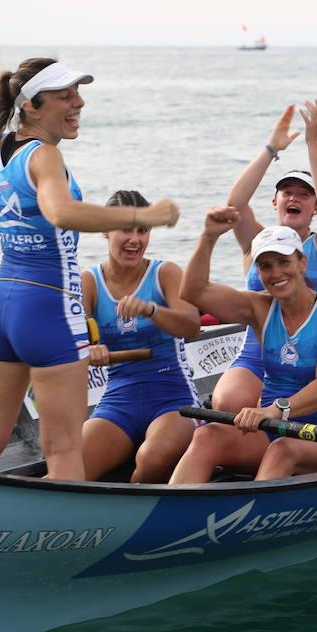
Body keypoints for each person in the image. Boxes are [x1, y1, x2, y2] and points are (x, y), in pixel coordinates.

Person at [0, 58, 179, 479]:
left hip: (1, 305)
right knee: (65, 450)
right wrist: (148, 217)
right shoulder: (44, 155)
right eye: (65, 96)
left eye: (78, 93)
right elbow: (61, 212)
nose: (79, 103)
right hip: (48, 307)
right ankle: (66, 543)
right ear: (32, 105)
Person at [172, 221, 317, 483]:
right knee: (207, 435)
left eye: (283, 262)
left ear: (301, 263)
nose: (275, 272)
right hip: (271, 429)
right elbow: (192, 291)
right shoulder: (258, 308)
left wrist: (274, 410)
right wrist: (208, 236)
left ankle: (248, 517)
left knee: (282, 450)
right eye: (265, 266)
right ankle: (176, 512)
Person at [210, 101, 317, 418]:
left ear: (316, 207)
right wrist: (271, 149)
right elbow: (235, 203)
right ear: (275, 202)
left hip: (309, 357)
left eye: (304, 194)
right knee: (226, 403)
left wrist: (315, 141)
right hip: (257, 355)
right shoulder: (256, 241)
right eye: (287, 192)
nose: (294, 198)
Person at [79, 190, 202, 483]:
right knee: (71, 466)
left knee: (151, 458)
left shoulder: (166, 273)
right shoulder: (89, 282)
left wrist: (151, 310)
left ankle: (124, 518)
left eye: (143, 230)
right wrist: (88, 350)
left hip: (174, 397)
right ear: (104, 231)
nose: (135, 239)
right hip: (118, 399)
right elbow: (69, 341)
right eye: (126, 229)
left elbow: (191, 325)